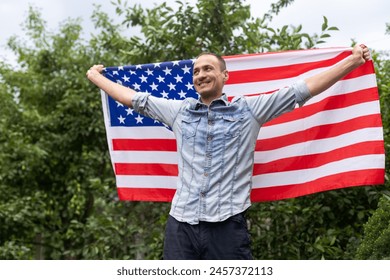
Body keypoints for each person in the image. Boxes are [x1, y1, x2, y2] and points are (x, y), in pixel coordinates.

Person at [86, 44, 371, 260]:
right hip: (181, 226)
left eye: (208, 69)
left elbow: (301, 90)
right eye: (196, 71)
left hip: (227, 228)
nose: (201, 75)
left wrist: (351, 60)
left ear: (225, 75)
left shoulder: (248, 110)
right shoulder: (179, 112)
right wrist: (96, 77)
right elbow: (135, 100)